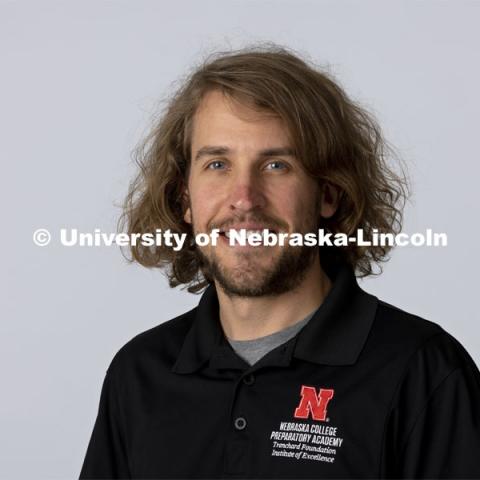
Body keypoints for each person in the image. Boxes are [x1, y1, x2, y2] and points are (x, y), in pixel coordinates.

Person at [79, 46, 480, 479]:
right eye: (218, 164)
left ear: (328, 192)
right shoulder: (139, 374)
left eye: (276, 165)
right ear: (184, 199)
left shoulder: (424, 372)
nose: (244, 198)